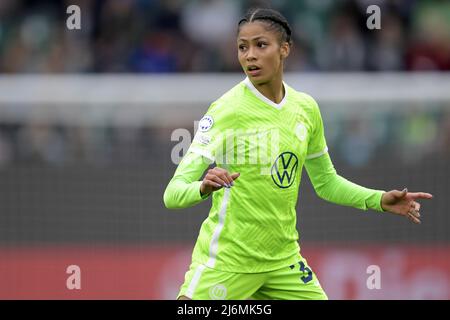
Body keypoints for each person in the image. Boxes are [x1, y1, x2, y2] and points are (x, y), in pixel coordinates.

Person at [163, 8, 433, 300]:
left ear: (285, 49)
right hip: (228, 261)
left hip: (283, 262)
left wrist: (378, 199)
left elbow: (326, 183)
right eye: (243, 47)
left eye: (260, 45)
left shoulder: (305, 109)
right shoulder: (226, 110)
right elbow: (173, 193)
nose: (250, 55)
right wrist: (202, 187)